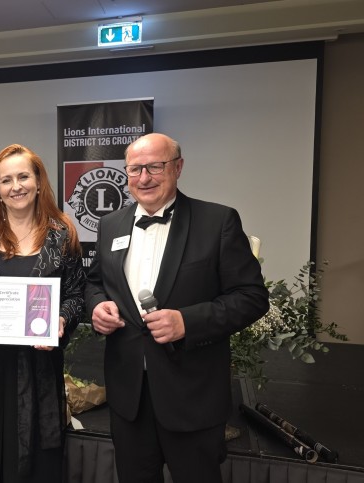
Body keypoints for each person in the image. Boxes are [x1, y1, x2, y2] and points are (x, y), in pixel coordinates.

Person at [85, 133, 269, 483]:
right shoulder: (110, 225)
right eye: (135, 169)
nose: (144, 178)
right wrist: (97, 306)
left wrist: (188, 321)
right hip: (129, 398)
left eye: (155, 166)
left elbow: (252, 296)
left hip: (192, 396)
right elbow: (96, 282)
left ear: (178, 168)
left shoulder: (217, 222)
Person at [0, 144, 86, 482]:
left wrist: (61, 319)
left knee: (36, 462)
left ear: (38, 181)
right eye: (6, 180)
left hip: (38, 368)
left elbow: (75, 294)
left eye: (23, 176)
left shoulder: (61, 233)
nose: (16, 186)